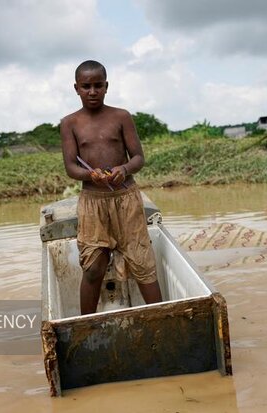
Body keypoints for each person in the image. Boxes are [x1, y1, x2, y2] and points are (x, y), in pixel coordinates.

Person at [60, 60, 162, 315]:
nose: (92, 91)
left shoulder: (121, 116)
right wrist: (90, 174)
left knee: (142, 262)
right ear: (76, 88)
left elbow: (138, 158)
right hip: (92, 202)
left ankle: (163, 318)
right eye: (86, 86)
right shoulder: (70, 123)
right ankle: (88, 325)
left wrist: (124, 169)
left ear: (107, 86)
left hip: (126, 198)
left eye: (98, 85)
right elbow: (71, 167)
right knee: (94, 267)